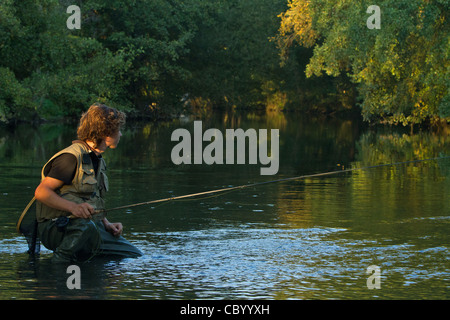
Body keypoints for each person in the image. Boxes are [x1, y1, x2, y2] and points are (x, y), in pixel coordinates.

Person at [34, 103, 142, 263]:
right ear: (106, 133)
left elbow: (88, 197)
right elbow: (41, 192)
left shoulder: (96, 158)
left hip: (88, 225)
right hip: (56, 227)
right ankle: (58, 264)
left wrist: (106, 223)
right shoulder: (70, 158)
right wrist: (74, 208)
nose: (121, 134)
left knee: (132, 255)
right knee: (86, 227)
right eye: (118, 130)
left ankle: (85, 264)